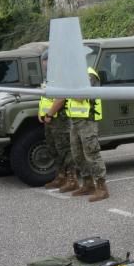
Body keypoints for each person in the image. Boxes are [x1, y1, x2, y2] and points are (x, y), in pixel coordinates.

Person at [61, 66, 109, 202]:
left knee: (92, 154)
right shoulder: (73, 75)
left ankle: (102, 187)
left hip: (88, 120)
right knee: (77, 155)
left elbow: (82, 97)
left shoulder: (89, 74)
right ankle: (88, 184)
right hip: (75, 120)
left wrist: (67, 90)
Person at [38, 50, 73, 189]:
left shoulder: (61, 76)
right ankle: (60, 177)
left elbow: (61, 98)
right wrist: (40, 112)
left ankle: (71, 179)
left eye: (45, 61)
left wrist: (49, 114)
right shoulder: (48, 77)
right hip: (50, 120)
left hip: (60, 119)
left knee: (64, 149)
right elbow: (45, 97)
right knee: (53, 149)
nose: (44, 64)